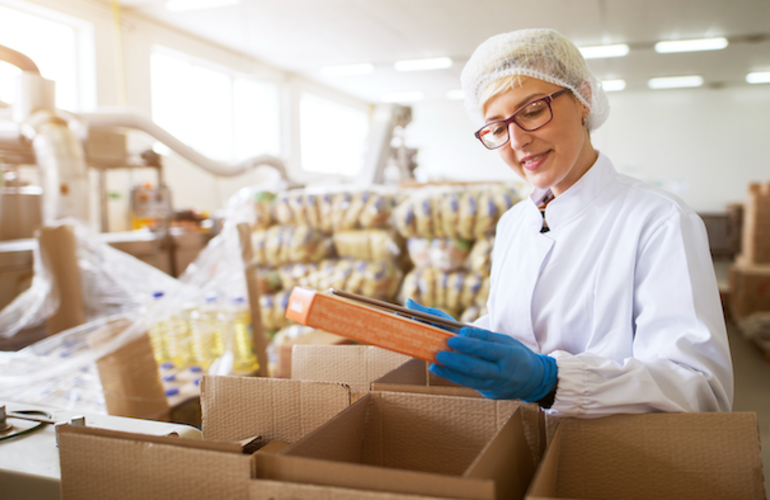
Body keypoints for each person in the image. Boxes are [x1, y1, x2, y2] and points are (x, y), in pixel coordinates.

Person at [406, 28, 733, 415]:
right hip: (520, 450)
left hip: (616, 462)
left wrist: (551, 381)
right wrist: (473, 338)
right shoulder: (514, 224)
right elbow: (525, 329)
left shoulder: (659, 221)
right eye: (497, 127)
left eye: (531, 111)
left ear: (584, 99)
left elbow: (699, 389)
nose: (517, 141)